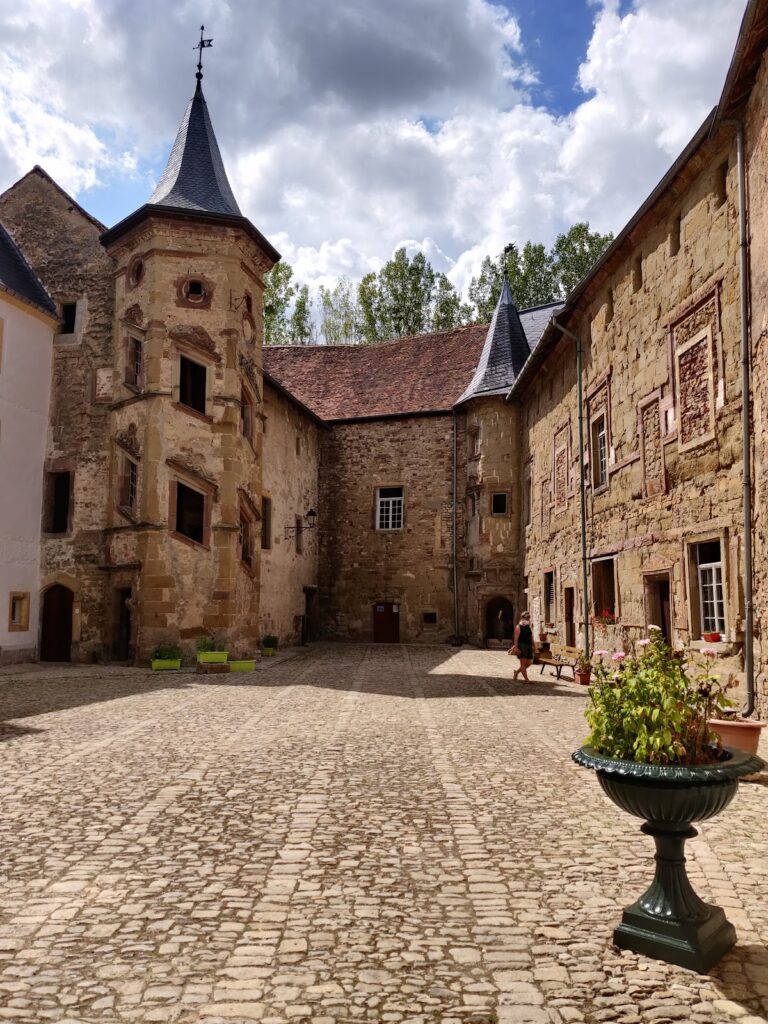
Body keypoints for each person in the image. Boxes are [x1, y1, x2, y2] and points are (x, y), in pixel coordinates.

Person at [508, 611, 534, 682]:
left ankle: (516, 672)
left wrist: (533, 645)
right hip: (522, 646)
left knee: (529, 663)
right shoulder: (518, 627)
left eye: (529, 617)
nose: (528, 618)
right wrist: (516, 647)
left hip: (529, 646)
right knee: (523, 664)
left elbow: (531, 636)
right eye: (526, 617)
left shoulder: (528, 626)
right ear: (522, 618)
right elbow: (515, 638)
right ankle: (526, 680)